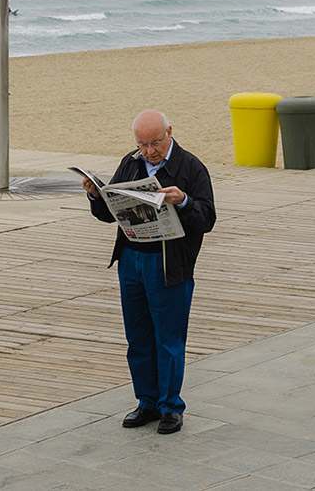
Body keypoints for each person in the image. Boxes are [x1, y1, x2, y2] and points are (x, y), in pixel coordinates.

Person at [82, 109, 216, 434]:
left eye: (155, 143)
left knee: (168, 338)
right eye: (142, 144)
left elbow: (208, 217)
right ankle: (147, 402)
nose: (149, 151)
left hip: (168, 264)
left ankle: (171, 406)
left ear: (170, 132)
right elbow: (110, 212)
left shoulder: (191, 167)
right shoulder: (131, 161)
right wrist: (95, 195)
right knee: (138, 337)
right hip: (131, 259)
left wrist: (183, 201)